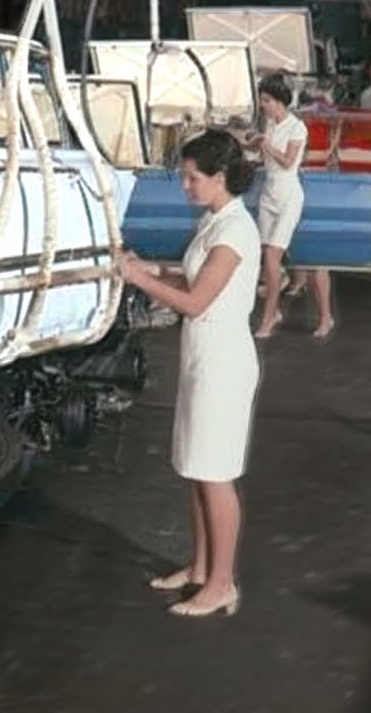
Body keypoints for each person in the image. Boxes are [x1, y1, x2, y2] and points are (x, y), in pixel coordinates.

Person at [117, 128, 261, 618]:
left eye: (192, 177)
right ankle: (200, 568)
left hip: (223, 360)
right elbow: (193, 281)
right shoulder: (214, 220)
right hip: (203, 355)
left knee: (215, 474)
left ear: (220, 177)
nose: (185, 185)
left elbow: (198, 302)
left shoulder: (237, 230)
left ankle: (222, 583)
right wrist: (153, 270)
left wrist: (138, 279)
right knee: (198, 468)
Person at [244, 74, 309, 339]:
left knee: (272, 257)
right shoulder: (270, 123)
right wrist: (253, 144)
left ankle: (269, 316)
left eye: (267, 100)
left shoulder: (297, 127)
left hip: (288, 195)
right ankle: (273, 307)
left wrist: (266, 145)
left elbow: (287, 161)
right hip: (269, 193)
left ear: (280, 101)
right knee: (265, 255)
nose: (264, 105)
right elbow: (265, 158)